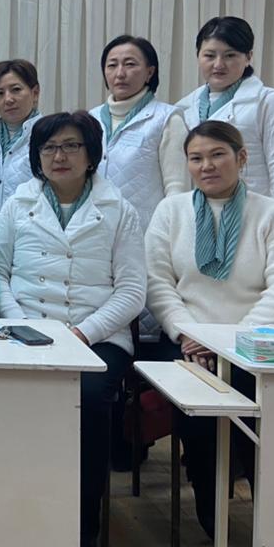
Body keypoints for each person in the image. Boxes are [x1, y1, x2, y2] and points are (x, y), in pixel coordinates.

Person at [146, 121, 274, 547]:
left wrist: (229, 342)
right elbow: (158, 284)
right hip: (188, 344)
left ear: (241, 157)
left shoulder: (271, 213)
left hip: (255, 346)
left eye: (217, 154)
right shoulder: (171, 211)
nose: (207, 166)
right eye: (196, 158)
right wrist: (189, 335)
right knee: (200, 419)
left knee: (271, 430)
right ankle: (213, 514)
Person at [0, 110, 145, 547]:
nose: (59, 156)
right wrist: (24, 326)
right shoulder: (17, 204)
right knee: (11, 401)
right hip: (25, 331)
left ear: (91, 154)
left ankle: (81, 531)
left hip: (96, 336)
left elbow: (132, 292)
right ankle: (25, 520)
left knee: (89, 401)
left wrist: (81, 334)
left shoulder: (120, 210)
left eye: (71, 146)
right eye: (49, 148)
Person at [90, 35, 186, 345]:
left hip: (146, 238)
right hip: (93, 239)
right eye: (112, 65)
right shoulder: (91, 119)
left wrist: (167, 241)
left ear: (149, 72)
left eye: (130, 64)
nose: (120, 73)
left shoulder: (167, 118)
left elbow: (177, 189)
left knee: (144, 330)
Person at [174, 16, 274, 225]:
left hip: (254, 218)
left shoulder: (268, 101)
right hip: (200, 220)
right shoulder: (183, 108)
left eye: (230, 55)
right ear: (198, 56)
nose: (218, 64)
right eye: (209, 55)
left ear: (248, 56)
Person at [0, 58, 42, 229]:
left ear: (35, 93)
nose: (8, 99)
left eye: (16, 90)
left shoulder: (49, 137)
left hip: (30, 237)